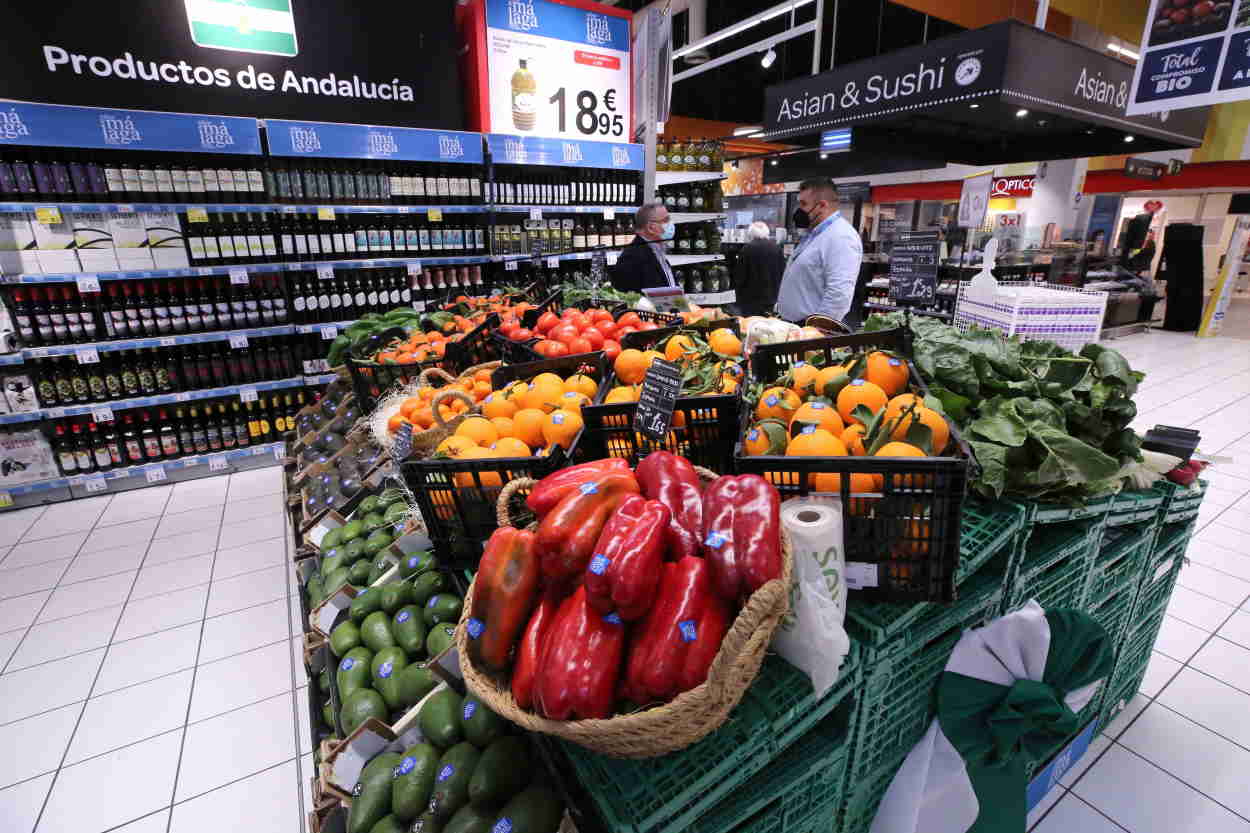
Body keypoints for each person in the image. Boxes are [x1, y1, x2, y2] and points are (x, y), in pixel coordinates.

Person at [776, 178, 864, 324]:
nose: (799, 209)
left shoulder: (841, 237)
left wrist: (816, 332)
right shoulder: (814, 234)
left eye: (804, 204)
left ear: (822, 205)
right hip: (792, 327)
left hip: (808, 333)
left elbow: (839, 295)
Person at [609, 202, 676, 293]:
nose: (670, 224)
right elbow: (631, 298)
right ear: (650, 228)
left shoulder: (657, 250)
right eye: (666, 220)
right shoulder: (632, 257)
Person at [732, 221, 785, 316]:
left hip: (751, 300)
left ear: (751, 233)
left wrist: (737, 296)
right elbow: (782, 272)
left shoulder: (747, 249)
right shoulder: (777, 248)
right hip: (772, 298)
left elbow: (740, 276)